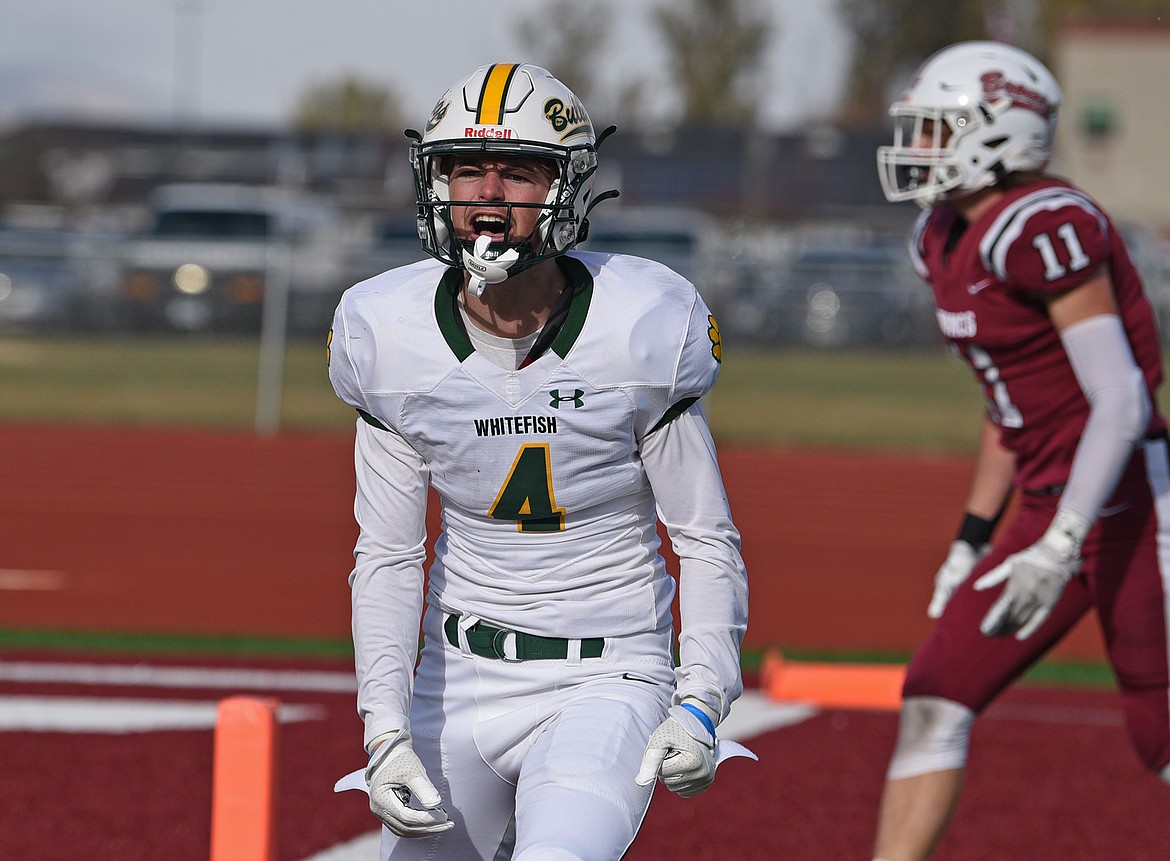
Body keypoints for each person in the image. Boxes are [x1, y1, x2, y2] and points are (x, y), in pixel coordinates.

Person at [327, 62, 751, 861]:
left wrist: (700, 698)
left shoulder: (641, 324)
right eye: (466, 169)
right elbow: (386, 553)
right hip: (452, 678)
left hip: (606, 677)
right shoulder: (384, 332)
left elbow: (703, 536)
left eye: (517, 171)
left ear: (567, 186)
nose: (488, 194)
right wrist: (383, 730)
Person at [870, 40, 1170, 860]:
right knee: (937, 692)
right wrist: (972, 535)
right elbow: (1009, 405)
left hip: (1135, 504)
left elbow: (1122, 398)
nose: (919, 147)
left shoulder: (1043, 226)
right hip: (1048, 511)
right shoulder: (940, 236)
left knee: (1161, 732)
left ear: (1000, 133)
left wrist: (1064, 541)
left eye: (938, 129)